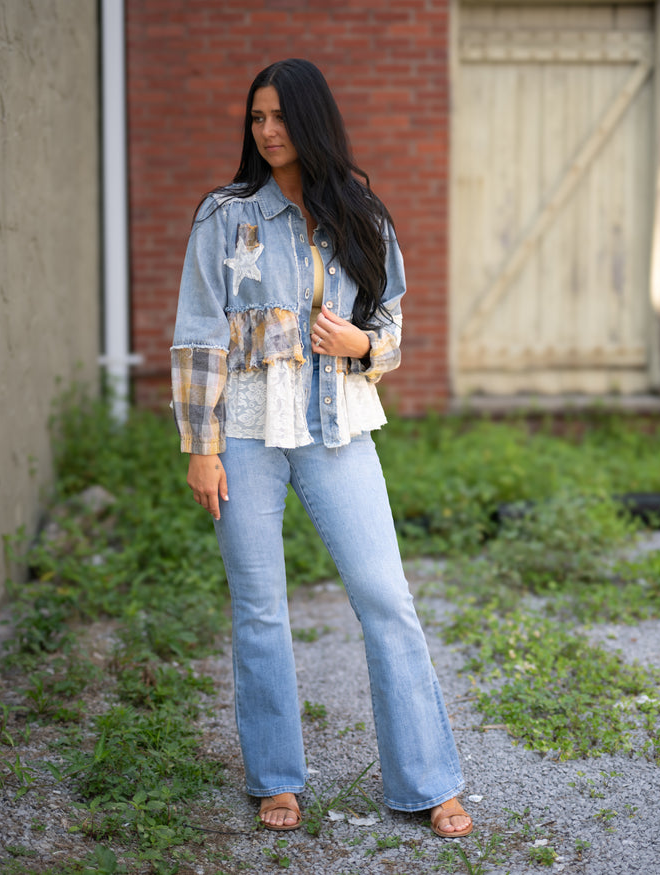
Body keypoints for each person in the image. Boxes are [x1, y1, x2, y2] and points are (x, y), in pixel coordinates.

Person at [171, 58, 472, 838]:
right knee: (261, 609)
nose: (266, 132)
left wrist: (360, 340)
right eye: (256, 119)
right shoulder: (224, 215)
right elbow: (198, 337)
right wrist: (200, 447)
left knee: (387, 599)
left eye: (278, 118)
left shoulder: (362, 215)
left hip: (340, 428)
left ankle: (428, 779)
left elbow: (395, 331)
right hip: (243, 432)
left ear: (311, 121)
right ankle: (276, 778)